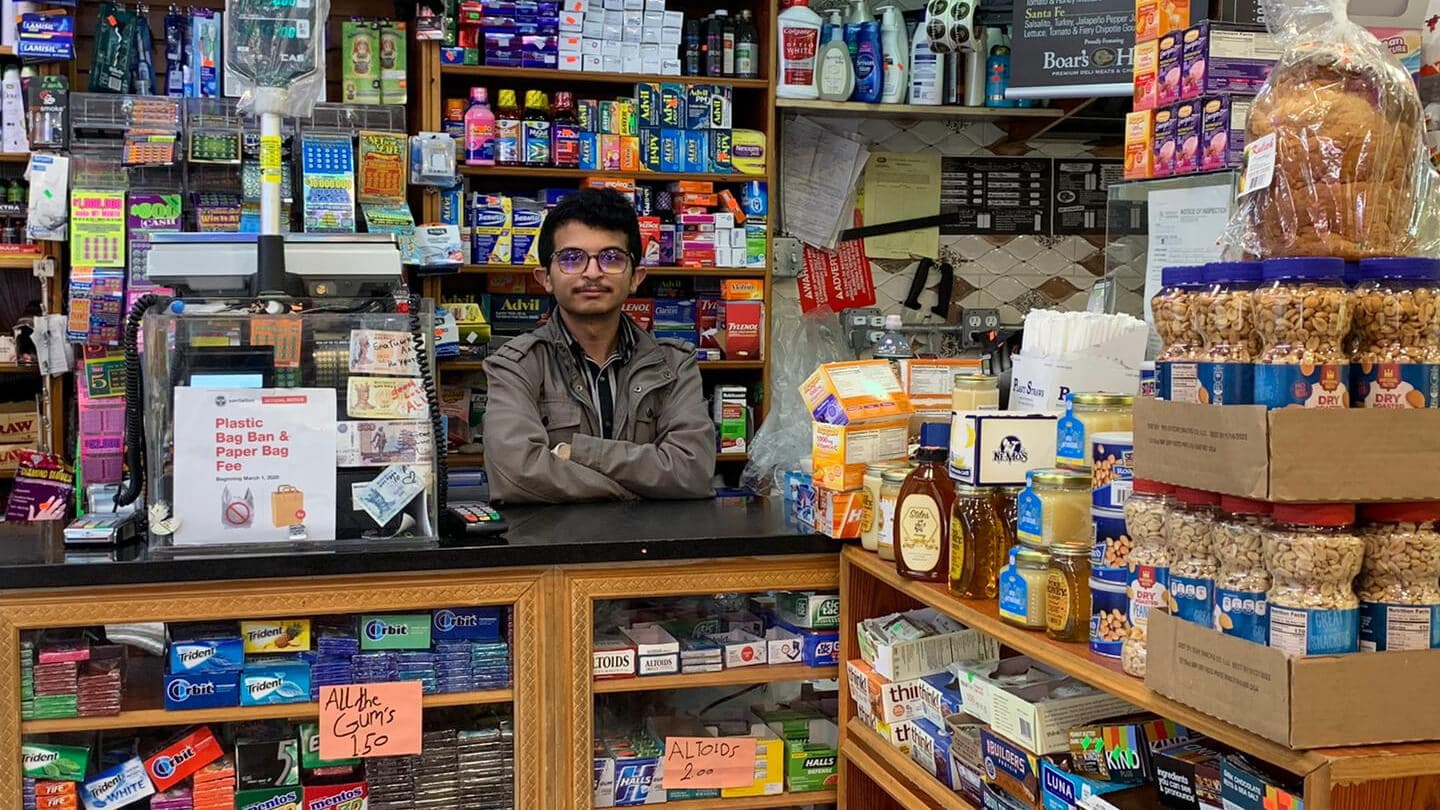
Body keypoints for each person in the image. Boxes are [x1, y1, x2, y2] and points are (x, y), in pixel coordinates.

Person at [482, 188, 716, 503]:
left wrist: (578, 452)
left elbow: (692, 471)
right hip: (551, 548)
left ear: (636, 276)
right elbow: (517, 474)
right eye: (571, 258)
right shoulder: (515, 365)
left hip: (657, 547)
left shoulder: (674, 365)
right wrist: (632, 491)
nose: (592, 273)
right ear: (545, 277)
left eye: (611, 258)